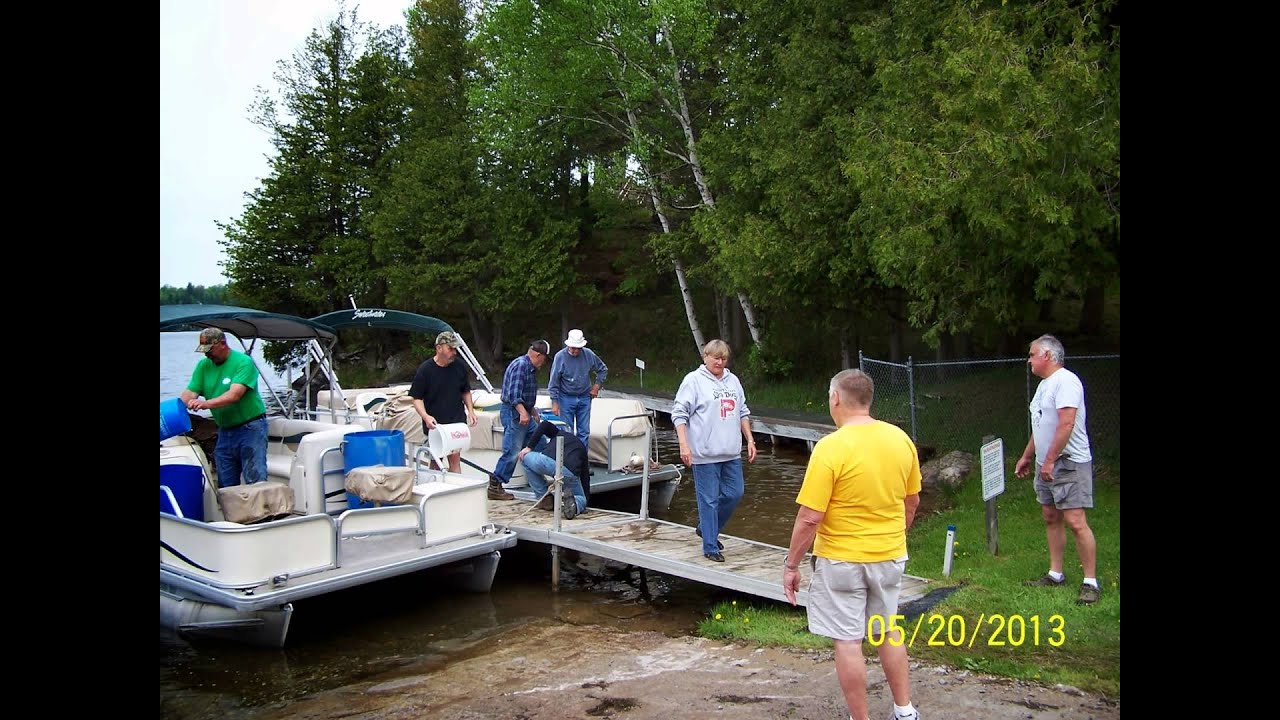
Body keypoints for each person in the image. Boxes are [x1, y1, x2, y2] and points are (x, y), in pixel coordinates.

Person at [782, 369, 922, 720]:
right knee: (888, 629)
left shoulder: (831, 447)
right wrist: (896, 533)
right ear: (868, 399)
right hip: (890, 555)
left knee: (847, 640)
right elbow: (912, 501)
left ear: (835, 399)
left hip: (841, 560)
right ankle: (904, 710)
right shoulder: (900, 439)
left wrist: (791, 565)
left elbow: (810, 517)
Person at [1014, 334, 1100, 606]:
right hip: (1045, 462)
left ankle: (1090, 582)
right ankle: (1056, 573)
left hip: (1068, 461)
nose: (1029, 360)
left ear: (1047, 356)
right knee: (1051, 516)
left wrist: (1050, 460)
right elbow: (1042, 425)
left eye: (1032, 354)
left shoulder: (1066, 382)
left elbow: (1066, 424)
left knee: (1075, 520)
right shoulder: (1043, 387)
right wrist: (1028, 456)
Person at [671, 339, 756, 562]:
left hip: (730, 451)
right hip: (704, 453)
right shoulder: (694, 381)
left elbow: (742, 411)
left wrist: (750, 439)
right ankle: (710, 545)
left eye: (724, 358)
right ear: (705, 356)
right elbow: (679, 413)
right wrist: (684, 444)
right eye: (716, 357)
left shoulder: (733, 381)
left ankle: (706, 528)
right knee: (708, 500)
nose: (720, 362)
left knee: (734, 493)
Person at [180, 327, 269, 488]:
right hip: (225, 430)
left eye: (210, 350)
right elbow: (190, 392)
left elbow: (234, 395)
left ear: (222, 344)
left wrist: (205, 404)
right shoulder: (203, 365)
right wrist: (177, 408)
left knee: (254, 478)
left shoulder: (243, 362)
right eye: (204, 351)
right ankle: (233, 511)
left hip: (250, 428)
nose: (207, 354)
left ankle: (262, 512)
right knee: (226, 481)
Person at [408, 331, 478, 474]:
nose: (454, 352)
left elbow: (465, 391)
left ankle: (456, 490)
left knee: (455, 459)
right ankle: (436, 489)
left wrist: (471, 411)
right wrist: (425, 416)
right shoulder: (425, 369)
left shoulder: (459, 366)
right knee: (435, 462)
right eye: (450, 348)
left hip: (456, 422)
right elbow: (416, 398)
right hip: (435, 425)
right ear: (439, 348)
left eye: (455, 349)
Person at [490, 339, 551, 499]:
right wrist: (523, 412)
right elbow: (514, 394)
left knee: (538, 444)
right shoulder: (521, 366)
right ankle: (496, 485)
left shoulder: (529, 368)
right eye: (544, 359)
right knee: (512, 451)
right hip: (514, 414)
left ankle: (539, 484)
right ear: (538, 355)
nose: (544, 363)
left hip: (525, 412)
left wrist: (532, 411)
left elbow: (525, 394)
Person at [548, 329, 609, 451]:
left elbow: (603, 369)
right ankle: (566, 460)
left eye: (578, 348)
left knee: (584, 432)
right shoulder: (560, 357)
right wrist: (554, 402)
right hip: (565, 397)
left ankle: (581, 461)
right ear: (568, 345)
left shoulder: (589, 354)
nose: (575, 350)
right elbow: (554, 381)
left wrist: (596, 387)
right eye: (572, 348)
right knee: (566, 431)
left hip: (585, 396)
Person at [517, 419, 589, 519]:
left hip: (548, 461)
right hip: (569, 472)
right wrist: (586, 498)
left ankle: (544, 498)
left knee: (524, 458)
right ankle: (576, 505)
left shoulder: (557, 433)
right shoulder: (580, 446)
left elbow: (544, 424)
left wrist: (529, 447)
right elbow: (585, 476)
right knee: (581, 497)